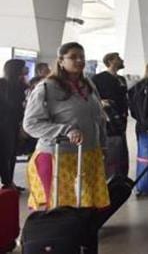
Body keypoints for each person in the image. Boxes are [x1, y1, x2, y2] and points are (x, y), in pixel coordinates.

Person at [22, 42, 110, 211]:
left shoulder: (89, 85)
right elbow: (31, 124)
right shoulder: (46, 88)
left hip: (89, 154)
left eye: (82, 57)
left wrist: (102, 144)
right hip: (58, 157)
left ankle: (82, 235)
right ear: (61, 61)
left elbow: (98, 117)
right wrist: (65, 130)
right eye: (73, 57)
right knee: (58, 207)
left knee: (85, 204)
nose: (79, 61)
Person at [92, 52, 130, 177]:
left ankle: (119, 177)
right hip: (108, 123)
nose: (121, 60)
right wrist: (100, 102)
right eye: (118, 58)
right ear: (110, 61)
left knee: (120, 151)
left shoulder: (121, 79)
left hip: (121, 122)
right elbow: (91, 97)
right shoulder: (98, 79)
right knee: (111, 151)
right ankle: (108, 178)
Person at [0, 59, 28, 190]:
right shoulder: (2, 84)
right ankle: (7, 182)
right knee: (5, 153)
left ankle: (9, 181)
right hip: (4, 123)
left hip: (14, 123)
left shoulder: (21, 85)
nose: (26, 70)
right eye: (24, 67)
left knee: (12, 154)